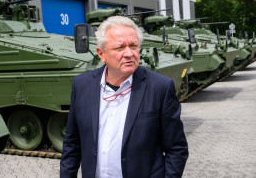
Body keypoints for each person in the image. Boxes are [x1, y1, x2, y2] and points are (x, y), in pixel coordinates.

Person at [60, 16, 188, 178]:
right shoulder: (82, 85)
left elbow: (177, 148)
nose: (129, 53)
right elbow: (72, 144)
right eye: (120, 48)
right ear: (101, 54)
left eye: (133, 46)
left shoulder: (159, 87)